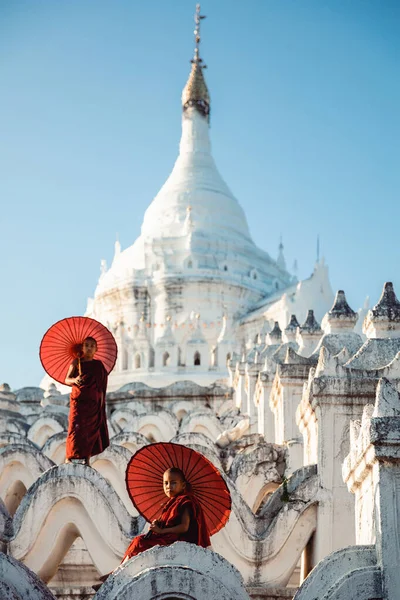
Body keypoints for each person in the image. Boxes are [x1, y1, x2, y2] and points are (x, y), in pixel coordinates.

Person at [93, 467, 210, 591]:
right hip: (167, 539)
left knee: (139, 542)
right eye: (165, 483)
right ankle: (115, 576)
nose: (169, 486)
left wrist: (161, 531)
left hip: (175, 542)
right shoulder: (172, 503)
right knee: (137, 542)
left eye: (173, 483)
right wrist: (158, 525)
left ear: (183, 485)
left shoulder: (186, 501)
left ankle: (114, 578)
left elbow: (184, 527)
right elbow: (169, 522)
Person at [64, 336, 109, 466]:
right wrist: (75, 380)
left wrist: (100, 404)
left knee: (90, 431)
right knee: (74, 428)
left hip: (93, 404)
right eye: (86, 345)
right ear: (82, 347)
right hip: (78, 402)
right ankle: (69, 456)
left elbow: (101, 386)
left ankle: (87, 458)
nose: (89, 348)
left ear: (96, 349)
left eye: (92, 346)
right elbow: (67, 379)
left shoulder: (98, 366)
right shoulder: (76, 362)